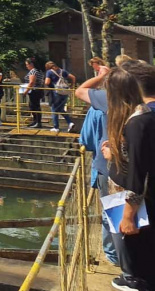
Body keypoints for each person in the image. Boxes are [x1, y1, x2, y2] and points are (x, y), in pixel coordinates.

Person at [100, 64, 155, 289]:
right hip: (131, 198)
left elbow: (138, 174)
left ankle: (137, 280)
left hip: (132, 202)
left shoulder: (137, 123)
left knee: (139, 258)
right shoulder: (143, 117)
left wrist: (128, 216)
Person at [75, 68, 120, 270]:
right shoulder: (142, 106)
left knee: (112, 211)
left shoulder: (101, 104)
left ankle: (115, 254)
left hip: (106, 164)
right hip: (119, 164)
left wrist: (100, 76)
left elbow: (86, 139)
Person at [44, 61, 76, 134]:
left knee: (54, 109)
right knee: (61, 109)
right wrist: (72, 86)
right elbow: (73, 77)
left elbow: (47, 82)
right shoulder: (63, 71)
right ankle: (70, 123)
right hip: (65, 92)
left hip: (56, 92)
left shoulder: (49, 72)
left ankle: (56, 127)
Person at [24, 58, 45, 129]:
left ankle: (38, 122)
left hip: (34, 91)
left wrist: (26, 91)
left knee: (34, 106)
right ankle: (35, 121)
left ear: (31, 64)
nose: (26, 66)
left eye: (27, 64)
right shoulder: (39, 71)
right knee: (33, 106)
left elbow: (31, 82)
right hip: (38, 90)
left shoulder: (33, 71)